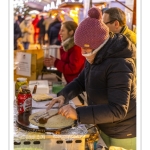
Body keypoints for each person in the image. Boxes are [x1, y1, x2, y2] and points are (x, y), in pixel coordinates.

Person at [46, 7, 136, 150]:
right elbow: (81, 81)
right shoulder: (96, 55)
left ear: (99, 45)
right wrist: (64, 95)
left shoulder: (120, 64)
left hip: (123, 132)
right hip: (104, 124)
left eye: (86, 50)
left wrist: (78, 113)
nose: (83, 54)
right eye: (81, 48)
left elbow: (118, 109)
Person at [44, 20, 86, 104]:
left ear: (71, 32)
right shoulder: (67, 46)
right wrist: (55, 62)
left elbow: (73, 68)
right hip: (71, 83)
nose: (60, 32)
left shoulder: (76, 47)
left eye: (62, 30)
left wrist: (56, 62)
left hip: (77, 87)